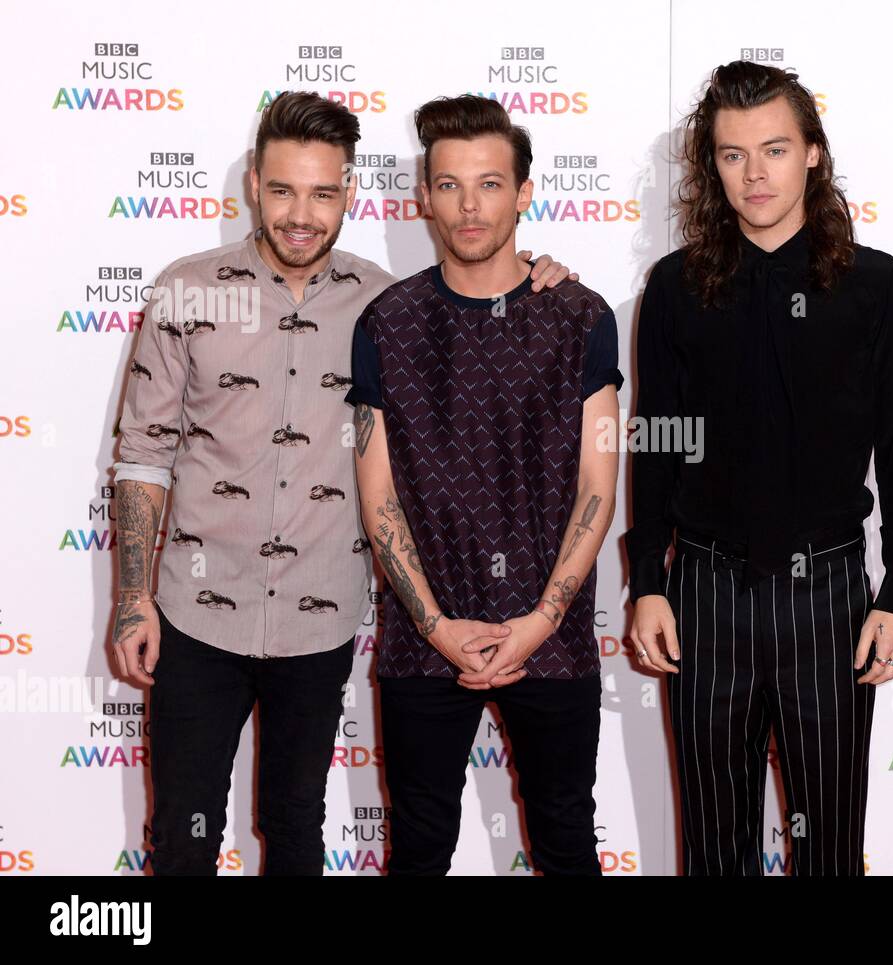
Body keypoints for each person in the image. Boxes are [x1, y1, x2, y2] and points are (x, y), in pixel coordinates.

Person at [110, 91, 576, 875]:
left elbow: (480, 307)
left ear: (350, 193)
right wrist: (130, 597)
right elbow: (142, 455)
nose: (302, 214)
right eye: (285, 189)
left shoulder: (386, 306)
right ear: (254, 183)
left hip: (318, 623)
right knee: (183, 841)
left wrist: (538, 276)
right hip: (194, 621)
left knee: (295, 833)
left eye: (324, 193)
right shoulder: (185, 292)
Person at [626, 61, 893, 875]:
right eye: (732, 155)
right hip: (703, 593)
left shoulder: (874, 287)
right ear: (711, 166)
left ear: (814, 155)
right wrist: (646, 581)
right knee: (713, 849)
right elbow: (656, 438)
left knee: (828, 849)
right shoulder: (677, 286)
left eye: (774, 149)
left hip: (829, 600)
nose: (754, 173)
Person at [346, 94, 622, 875]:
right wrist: (437, 624)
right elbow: (379, 498)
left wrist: (538, 620)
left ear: (525, 191)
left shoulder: (579, 316)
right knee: (421, 846)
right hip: (422, 639)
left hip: (553, 637)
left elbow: (597, 488)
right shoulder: (386, 323)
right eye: (450, 185)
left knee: (567, 841)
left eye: (492, 184)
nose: (470, 206)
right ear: (424, 195)